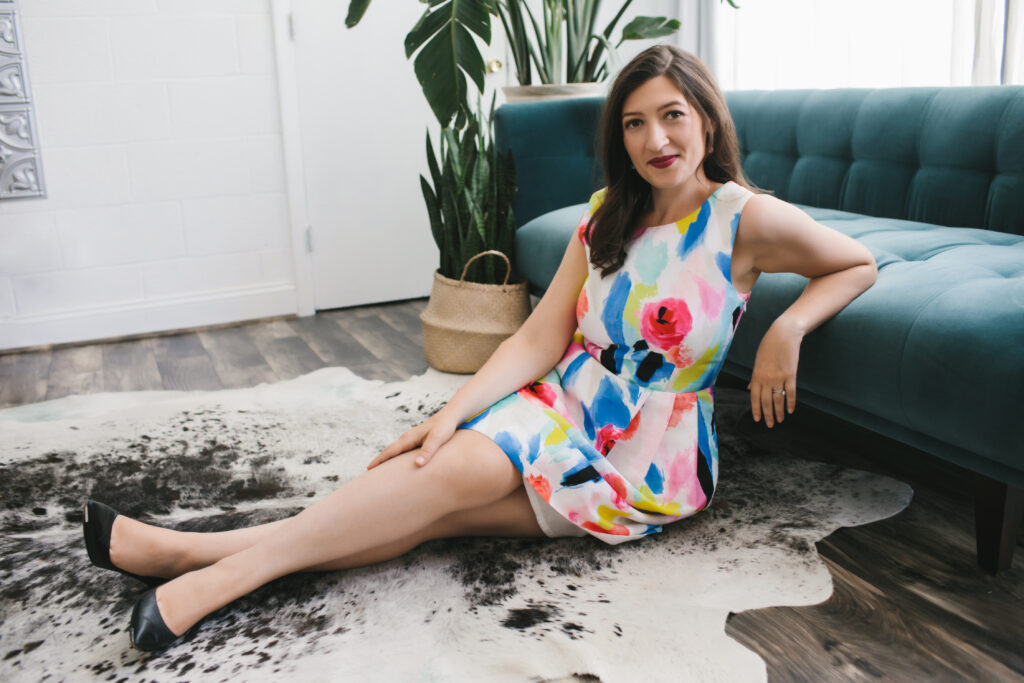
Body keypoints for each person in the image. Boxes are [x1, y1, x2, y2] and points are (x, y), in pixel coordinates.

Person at [81, 44, 877, 652]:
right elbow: (541, 332)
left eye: (672, 114)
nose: (655, 138)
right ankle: (188, 556)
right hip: (564, 401)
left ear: (706, 116)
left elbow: (856, 263)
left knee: (434, 491)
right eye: (634, 122)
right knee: (432, 482)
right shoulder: (609, 212)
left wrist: (787, 326)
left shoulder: (746, 218)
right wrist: (452, 410)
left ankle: (205, 572)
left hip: (650, 458)